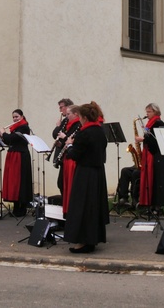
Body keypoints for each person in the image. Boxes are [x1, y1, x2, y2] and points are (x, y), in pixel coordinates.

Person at [63, 102, 109, 253]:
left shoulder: (84, 133)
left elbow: (74, 155)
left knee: (82, 206)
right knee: (93, 207)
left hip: (85, 173)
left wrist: (69, 144)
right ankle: (92, 239)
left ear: (83, 117)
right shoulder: (100, 131)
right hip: (98, 173)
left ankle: (83, 242)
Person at [0, 109, 33, 217]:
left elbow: (12, 138)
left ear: (22, 117)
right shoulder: (16, 128)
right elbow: (9, 141)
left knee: (19, 181)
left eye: (17, 116)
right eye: (13, 117)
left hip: (20, 156)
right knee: (13, 181)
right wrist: (1, 136)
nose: (14, 119)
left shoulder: (24, 127)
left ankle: (21, 209)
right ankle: (16, 207)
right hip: (13, 154)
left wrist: (4, 133)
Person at [136, 103, 164, 212]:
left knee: (156, 180)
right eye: (146, 112)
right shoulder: (150, 123)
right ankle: (148, 204)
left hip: (156, 155)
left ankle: (156, 206)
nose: (147, 114)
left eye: (149, 112)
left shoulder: (159, 123)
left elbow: (156, 141)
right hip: (149, 154)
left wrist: (143, 140)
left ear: (155, 112)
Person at [59, 105, 81, 215]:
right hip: (67, 157)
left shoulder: (78, 125)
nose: (66, 117)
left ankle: (70, 211)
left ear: (76, 114)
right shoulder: (69, 124)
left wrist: (64, 139)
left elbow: (73, 140)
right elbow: (56, 133)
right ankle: (66, 209)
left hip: (72, 158)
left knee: (70, 186)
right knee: (63, 184)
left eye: (68, 114)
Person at [51, 98, 74, 195]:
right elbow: (55, 134)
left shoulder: (73, 123)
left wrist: (64, 137)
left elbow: (70, 138)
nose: (60, 110)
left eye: (61, 107)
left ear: (68, 107)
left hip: (69, 154)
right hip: (62, 154)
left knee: (63, 183)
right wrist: (58, 126)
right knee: (61, 183)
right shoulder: (65, 121)